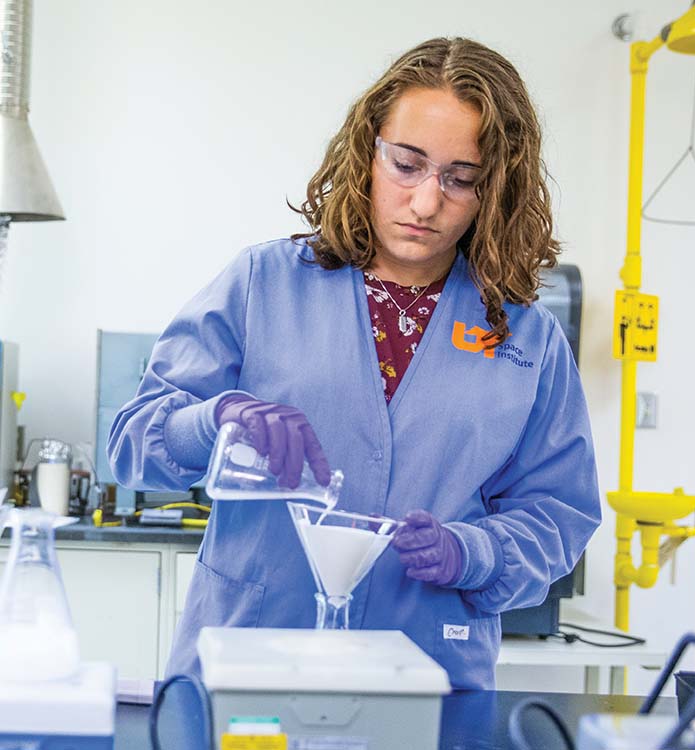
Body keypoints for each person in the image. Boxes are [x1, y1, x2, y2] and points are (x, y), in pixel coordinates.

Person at [108, 36, 601, 690]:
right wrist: (213, 420)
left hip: (426, 669)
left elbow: (559, 512)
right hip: (250, 651)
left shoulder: (526, 339)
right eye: (407, 165)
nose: (427, 203)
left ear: (496, 189)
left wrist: (473, 553)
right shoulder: (264, 283)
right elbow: (131, 440)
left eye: (461, 179)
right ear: (366, 152)